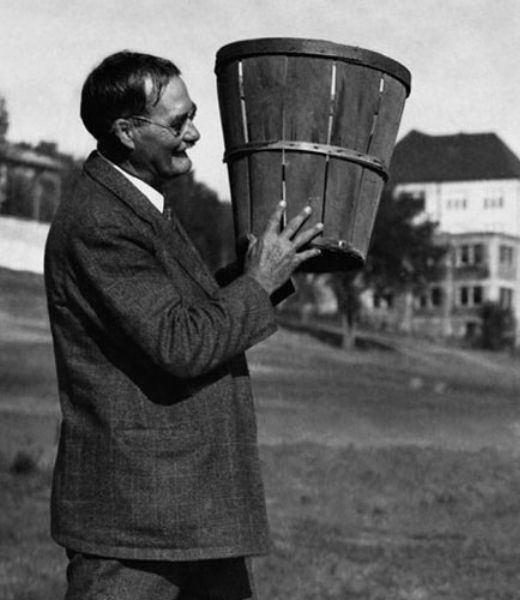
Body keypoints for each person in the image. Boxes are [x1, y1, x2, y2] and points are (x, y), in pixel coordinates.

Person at [44, 51, 323, 598]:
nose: (195, 133)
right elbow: (181, 343)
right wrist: (258, 282)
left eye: (192, 115)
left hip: (187, 513)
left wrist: (268, 269)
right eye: (177, 123)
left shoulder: (136, 205)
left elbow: (178, 316)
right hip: (136, 525)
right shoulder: (99, 221)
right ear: (125, 131)